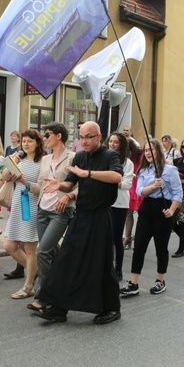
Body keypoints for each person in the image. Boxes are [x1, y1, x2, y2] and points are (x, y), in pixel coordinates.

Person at [37, 121, 123, 325]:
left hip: (101, 217)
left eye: (88, 137)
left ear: (99, 137)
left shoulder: (110, 155)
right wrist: (60, 185)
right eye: (81, 137)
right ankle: (58, 307)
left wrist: (89, 174)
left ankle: (111, 308)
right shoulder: (81, 157)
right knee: (66, 260)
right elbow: (70, 183)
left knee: (101, 264)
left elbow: (116, 176)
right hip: (81, 215)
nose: (84, 141)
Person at [120, 139, 181, 296]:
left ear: (158, 151)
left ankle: (160, 280)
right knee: (139, 247)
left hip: (163, 210)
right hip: (146, 209)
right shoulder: (143, 171)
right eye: (146, 150)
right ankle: (134, 283)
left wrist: (172, 210)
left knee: (161, 248)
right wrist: (153, 186)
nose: (147, 153)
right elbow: (139, 191)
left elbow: (177, 193)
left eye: (151, 150)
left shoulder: (170, 170)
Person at [27, 122, 77, 313]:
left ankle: (42, 296)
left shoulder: (73, 157)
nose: (44, 139)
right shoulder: (46, 159)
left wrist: (68, 195)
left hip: (60, 211)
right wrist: (23, 182)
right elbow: (41, 185)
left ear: (58, 136)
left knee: (42, 252)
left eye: (47, 135)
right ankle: (62, 288)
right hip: (42, 210)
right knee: (52, 254)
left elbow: (80, 185)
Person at [0, 128, 44, 299]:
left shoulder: (42, 163)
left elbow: (40, 189)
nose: (25, 144)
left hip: (31, 206)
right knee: (9, 246)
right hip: (17, 205)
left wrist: (24, 181)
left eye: (29, 141)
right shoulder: (19, 159)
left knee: (29, 248)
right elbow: (4, 177)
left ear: (37, 143)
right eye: (24, 141)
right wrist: (12, 163)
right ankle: (37, 272)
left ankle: (28, 285)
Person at [108, 132, 134, 281]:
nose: (112, 144)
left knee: (117, 237)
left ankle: (118, 269)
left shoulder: (127, 163)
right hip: (105, 202)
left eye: (115, 142)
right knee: (105, 237)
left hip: (120, 203)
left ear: (121, 144)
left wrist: (112, 181)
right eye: (110, 141)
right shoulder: (104, 158)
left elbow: (127, 184)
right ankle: (107, 266)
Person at [123, 138, 143, 250]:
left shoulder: (140, 156)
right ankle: (127, 238)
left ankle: (139, 238)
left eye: (129, 151)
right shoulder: (123, 157)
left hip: (139, 187)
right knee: (128, 213)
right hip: (129, 188)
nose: (128, 154)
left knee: (141, 215)